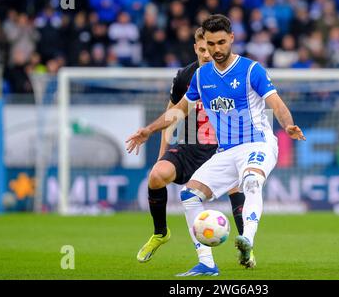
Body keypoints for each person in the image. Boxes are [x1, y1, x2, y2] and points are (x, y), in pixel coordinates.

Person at [126, 14, 305, 276]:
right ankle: (207, 263)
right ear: (204, 44)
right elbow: (178, 111)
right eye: (211, 44)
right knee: (189, 195)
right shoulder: (201, 76)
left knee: (252, 182)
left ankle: (248, 241)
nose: (216, 50)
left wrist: (288, 125)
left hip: (258, 143)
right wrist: (149, 131)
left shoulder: (251, 70)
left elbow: (276, 103)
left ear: (231, 38)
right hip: (226, 151)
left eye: (221, 42)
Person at [136, 27, 246, 263]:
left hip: (223, 148)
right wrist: (161, 154)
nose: (208, 54)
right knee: (156, 176)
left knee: (236, 186)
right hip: (191, 145)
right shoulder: (185, 77)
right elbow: (172, 116)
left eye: (212, 48)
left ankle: (247, 245)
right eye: (203, 49)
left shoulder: (232, 73)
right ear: (196, 48)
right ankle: (160, 233)